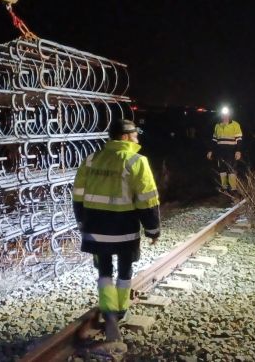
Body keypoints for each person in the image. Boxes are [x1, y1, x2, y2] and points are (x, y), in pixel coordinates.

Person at [73, 119, 160, 342]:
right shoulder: (137, 161)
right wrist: (152, 229)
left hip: (95, 226)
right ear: (124, 137)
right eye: (134, 135)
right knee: (124, 267)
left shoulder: (91, 160)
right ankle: (120, 309)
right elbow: (147, 200)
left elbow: (78, 195)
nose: (137, 138)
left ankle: (107, 309)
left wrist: (82, 222)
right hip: (123, 228)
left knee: (103, 269)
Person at [206, 106, 243, 192]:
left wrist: (238, 151)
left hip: (231, 151)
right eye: (223, 114)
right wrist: (210, 151)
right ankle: (224, 188)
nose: (225, 116)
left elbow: (239, 139)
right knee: (222, 169)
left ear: (229, 115)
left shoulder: (235, 125)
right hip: (220, 152)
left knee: (231, 170)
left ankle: (233, 189)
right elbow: (214, 140)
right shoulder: (217, 126)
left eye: (226, 114)